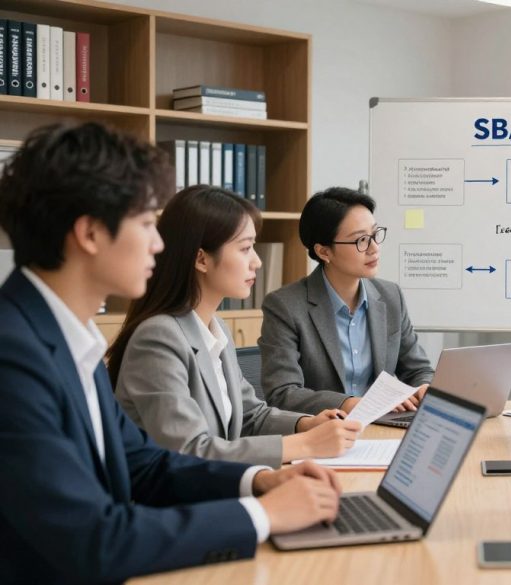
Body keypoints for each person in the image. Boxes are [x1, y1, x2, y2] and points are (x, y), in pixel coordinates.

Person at [0, 122, 345, 583]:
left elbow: (144, 464)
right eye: (146, 224)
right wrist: (263, 516)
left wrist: (259, 481)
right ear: (89, 233)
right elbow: (93, 540)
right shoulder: (13, 356)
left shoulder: (64, 339)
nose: (160, 244)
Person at [107, 186, 362, 468]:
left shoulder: (215, 329)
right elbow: (190, 450)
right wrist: (304, 445)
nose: (257, 261)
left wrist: (306, 424)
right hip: (174, 504)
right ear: (201, 259)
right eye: (245, 248)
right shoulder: (158, 338)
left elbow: (251, 416)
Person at [259, 187, 434, 415]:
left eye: (374, 234)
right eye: (361, 240)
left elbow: (418, 369)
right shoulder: (285, 306)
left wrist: (424, 388)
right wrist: (351, 403)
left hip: (383, 426)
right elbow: (283, 393)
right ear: (324, 252)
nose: (374, 248)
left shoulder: (390, 297)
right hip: (321, 433)